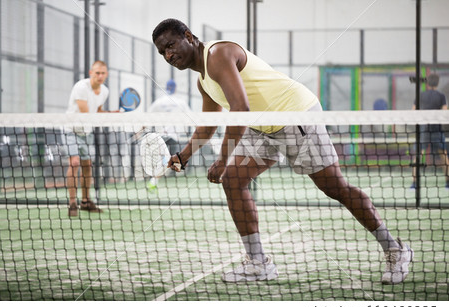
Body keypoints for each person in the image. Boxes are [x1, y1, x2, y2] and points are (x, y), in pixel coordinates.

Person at [152, 18, 413, 284]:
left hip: (295, 114)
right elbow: (208, 127)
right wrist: (183, 156)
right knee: (233, 180)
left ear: (189, 36)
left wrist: (222, 159)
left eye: (171, 45)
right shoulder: (203, 82)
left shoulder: (218, 54)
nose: (168, 55)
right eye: (162, 52)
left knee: (335, 188)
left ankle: (395, 249)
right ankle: (258, 263)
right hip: (262, 125)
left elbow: (240, 109)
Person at [65, 60, 115, 217]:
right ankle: (72, 203)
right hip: (71, 129)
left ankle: (86, 202)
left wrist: (112, 114)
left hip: (87, 131)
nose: (100, 76)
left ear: (106, 74)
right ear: (91, 73)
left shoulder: (105, 91)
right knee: (74, 163)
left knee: (88, 166)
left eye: (103, 73)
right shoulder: (81, 87)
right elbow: (86, 113)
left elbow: (97, 111)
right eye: (97, 73)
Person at [146, 79, 191, 192]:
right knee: (169, 161)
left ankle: (154, 181)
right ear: (175, 88)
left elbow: (147, 116)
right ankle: (154, 181)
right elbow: (190, 117)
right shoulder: (180, 102)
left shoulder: (159, 102)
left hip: (160, 137)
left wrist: (141, 129)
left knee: (165, 161)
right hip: (173, 137)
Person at [410, 73, 449, 189]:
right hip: (437, 130)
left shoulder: (420, 95)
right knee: (443, 156)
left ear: (427, 83)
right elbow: (444, 112)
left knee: (417, 156)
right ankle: (448, 183)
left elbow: (412, 111)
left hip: (424, 130)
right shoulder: (441, 96)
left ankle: (414, 184)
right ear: (437, 83)